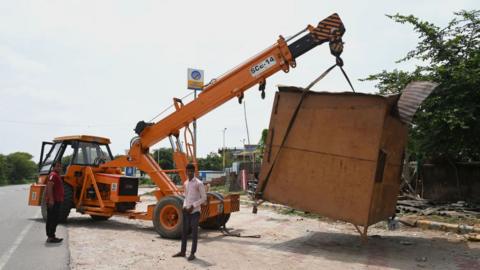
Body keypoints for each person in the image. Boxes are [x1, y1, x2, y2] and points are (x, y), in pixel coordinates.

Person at [172, 163, 206, 261]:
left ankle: (192, 253)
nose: (190, 173)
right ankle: (183, 252)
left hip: (195, 212)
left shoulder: (199, 183)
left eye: (191, 171)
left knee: (194, 232)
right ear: (186, 172)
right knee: (184, 231)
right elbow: (186, 197)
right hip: (186, 211)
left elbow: (204, 198)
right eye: (188, 171)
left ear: (194, 171)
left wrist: (193, 206)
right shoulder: (186, 183)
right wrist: (184, 206)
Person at [45, 161, 64, 243]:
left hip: (57, 200)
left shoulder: (57, 175)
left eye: (60, 166)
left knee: (52, 218)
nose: (59, 168)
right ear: (53, 167)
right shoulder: (53, 175)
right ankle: (51, 236)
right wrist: (51, 200)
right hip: (54, 201)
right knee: (53, 219)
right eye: (57, 166)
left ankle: (50, 236)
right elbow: (49, 186)